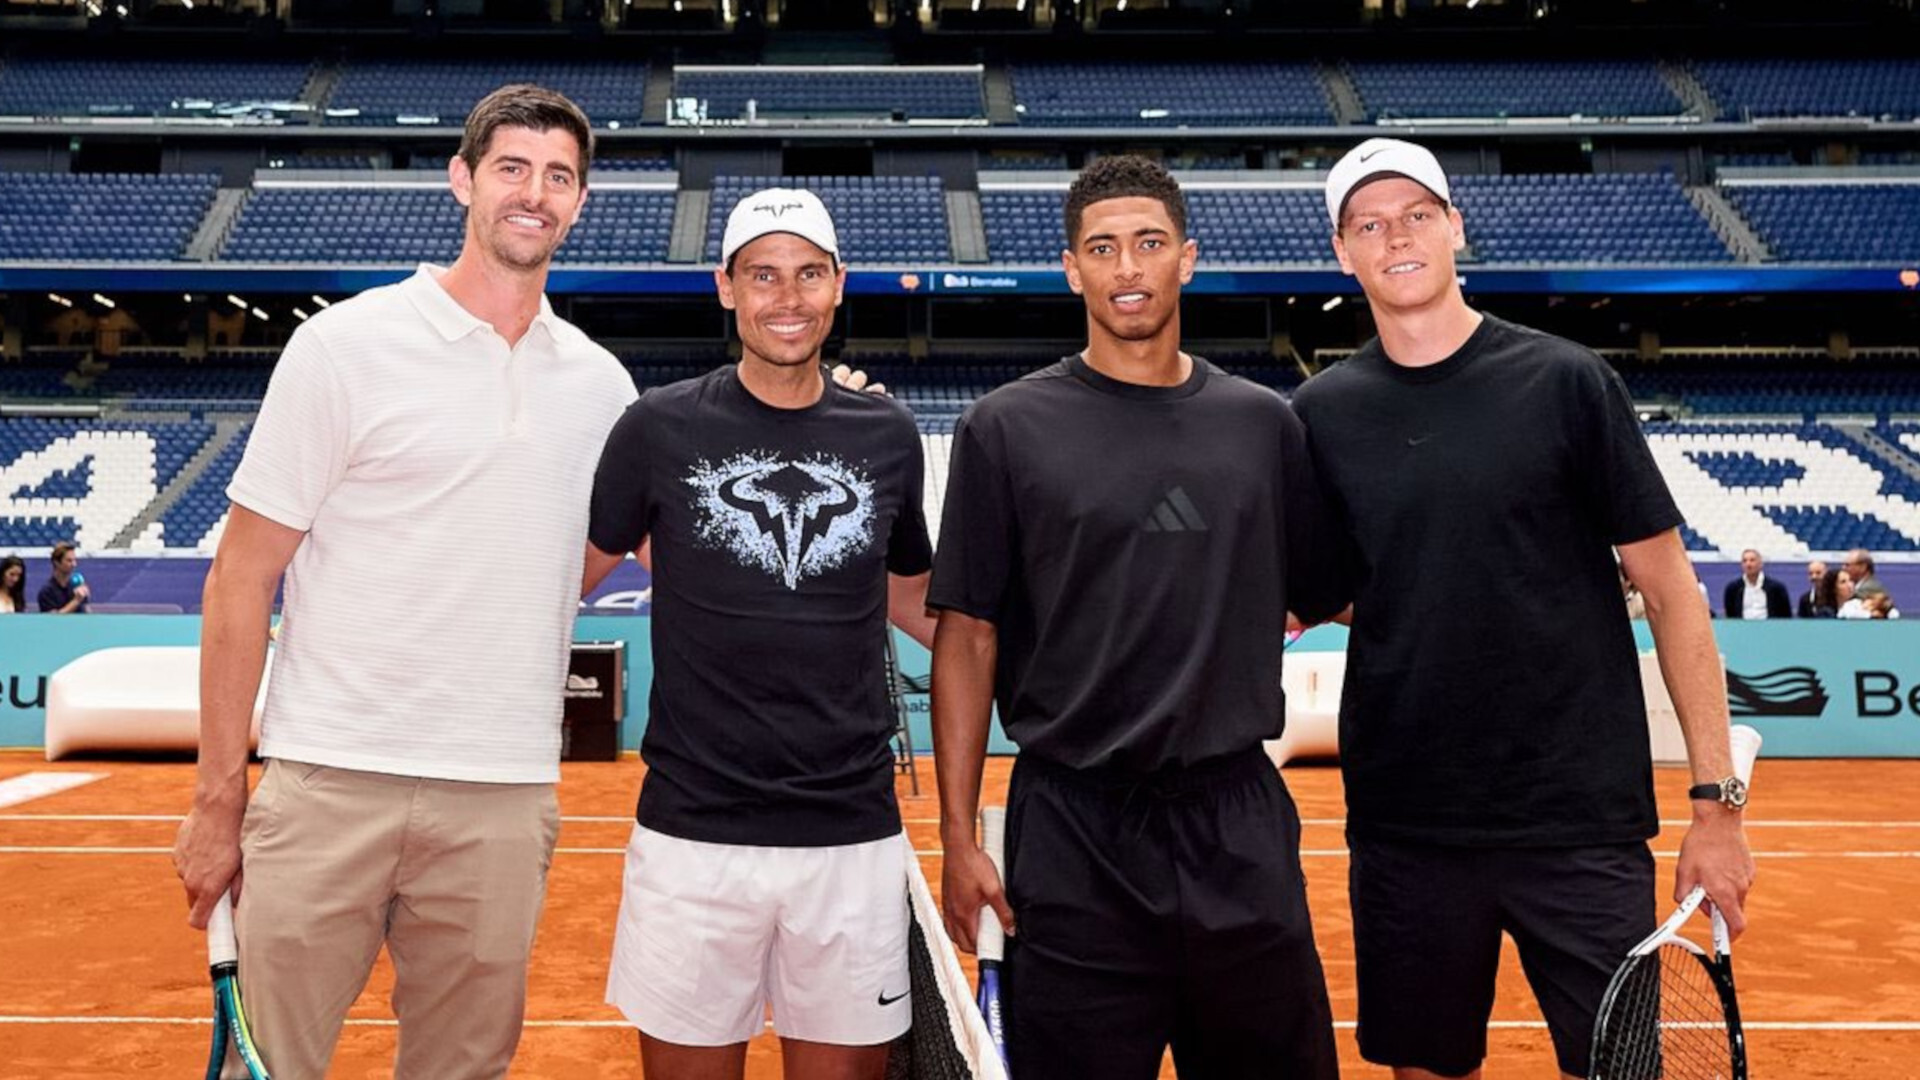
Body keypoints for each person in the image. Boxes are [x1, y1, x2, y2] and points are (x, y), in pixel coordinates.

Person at [169, 84, 639, 1080]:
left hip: (503, 798)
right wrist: (218, 802)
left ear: (581, 201)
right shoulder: (345, 346)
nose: (534, 194)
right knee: (274, 1065)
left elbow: (581, 558)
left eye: (559, 177)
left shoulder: (603, 386)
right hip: (329, 782)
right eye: (511, 168)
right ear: (462, 179)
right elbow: (240, 580)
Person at [1291, 137, 1754, 1080]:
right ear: (1343, 253)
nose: (1397, 238)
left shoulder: (1568, 381)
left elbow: (1670, 593)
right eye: (1369, 225)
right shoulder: (1319, 415)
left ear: (1456, 226)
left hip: (1579, 821)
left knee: (1618, 1071)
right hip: (1407, 823)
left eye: (1417, 215)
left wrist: (1716, 807)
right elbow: (1327, 594)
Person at [930, 155, 1344, 1080]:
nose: (1128, 268)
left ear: (1186, 259)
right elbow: (968, 638)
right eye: (1103, 249)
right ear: (1071, 269)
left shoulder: (1263, 425)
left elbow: (1330, 592)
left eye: (1149, 244)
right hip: (1072, 830)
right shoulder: (1004, 428)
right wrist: (960, 839)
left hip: (1237, 821)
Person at [581, 188, 937, 1080]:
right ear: (726, 288)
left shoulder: (888, 433)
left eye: (809, 274)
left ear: (839, 286)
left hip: (850, 835)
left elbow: (918, 601)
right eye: (764, 274)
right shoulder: (656, 428)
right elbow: (557, 585)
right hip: (693, 837)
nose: (788, 296)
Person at [1723, 548, 1792, 619]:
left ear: (1761, 564)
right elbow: (1730, 616)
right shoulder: (1733, 589)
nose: (1748, 564)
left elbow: (1786, 616)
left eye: (1752, 560)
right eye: (1745, 561)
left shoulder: (1777, 588)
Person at [37, 541, 89, 613]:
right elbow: (53, 620)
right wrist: (76, 601)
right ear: (57, 562)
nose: (74, 564)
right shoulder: (47, 592)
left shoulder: (76, 586)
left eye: (74, 560)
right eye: (69, 561)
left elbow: (87, 612)